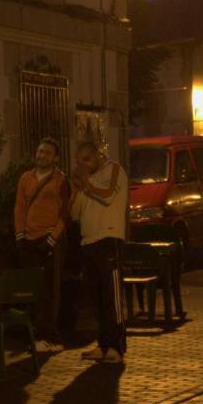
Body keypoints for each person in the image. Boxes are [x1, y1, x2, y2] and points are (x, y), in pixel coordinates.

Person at [69, 140, 128, 364]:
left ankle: (116, 346)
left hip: (108, 238)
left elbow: (108, 195)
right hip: (88, 242)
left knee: (111, 296)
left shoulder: (113, 169)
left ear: (98, 156)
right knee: (96, 297)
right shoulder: (86, 181)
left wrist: (86, 183)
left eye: (87, 159)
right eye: (79, 160)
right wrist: (76, 191)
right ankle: (103, 344)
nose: (83, 164)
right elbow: (74, 214)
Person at [14, 137, 71, 353]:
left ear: (55, 157)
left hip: (49, 240)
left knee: (50, 288)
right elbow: (19, 207)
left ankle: (51, 336)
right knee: (34, 289)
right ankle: (37, 334)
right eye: (39, 151)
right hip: (28, 239)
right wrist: (19, 235)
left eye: (47, 153)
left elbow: (65, 213)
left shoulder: (60, 180)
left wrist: (52, 240)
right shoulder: (25, 178)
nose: (41, 155)